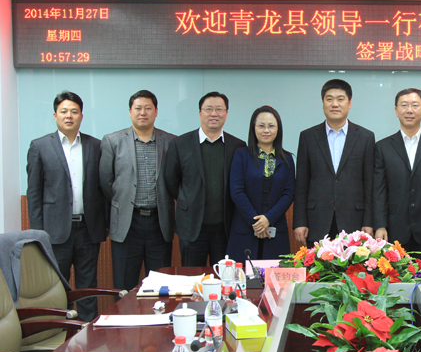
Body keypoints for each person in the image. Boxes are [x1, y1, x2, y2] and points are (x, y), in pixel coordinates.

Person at [26, 91, 106, 321]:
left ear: (81, 116)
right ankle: (61, 331)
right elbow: (34, 193)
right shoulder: (40, 146)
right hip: (54, 231)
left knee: (88, 286)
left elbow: (103, 189)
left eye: (74, 111)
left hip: (88, 229)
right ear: (55, 115)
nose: (69, 116)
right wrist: (38, 233)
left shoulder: (96, 146)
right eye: (64, 111)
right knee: (57, 287)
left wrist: (104, 225)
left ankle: (87, 330)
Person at [99, 90, 175, 291]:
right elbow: (106, 182)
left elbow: (175, 181)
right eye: (138, 108)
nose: (143, 112)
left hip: (159, 223)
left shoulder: (170, 142)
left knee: (160, 286)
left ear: (156, 112)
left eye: (148, 108)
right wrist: (122, 203)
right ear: (130, 111)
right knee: (124, 286)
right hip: (127, 223)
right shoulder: (112, 141)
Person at [165, 92, 246, 267]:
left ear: (226, 113)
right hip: (192, 227)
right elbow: (171, 181)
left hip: (226, 229)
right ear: (200, 113)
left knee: (225, 277)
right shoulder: (180, 144)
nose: (214, 114)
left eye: (219, 109)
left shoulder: (237, 146)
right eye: (208, 109)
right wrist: (189, 199)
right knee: (192, 277)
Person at [373, 88, 421, 260]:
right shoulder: (382, 147)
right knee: (395, 275)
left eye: (415, 105)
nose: (409, 110)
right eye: (404, 105)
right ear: (396, 111)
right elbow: (379, 191)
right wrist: (380, 225)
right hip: (394, 229)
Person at [293, 79, 375, 245]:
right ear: (323, 103)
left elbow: (369, 184)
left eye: (340, 99)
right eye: (329, 99)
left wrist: (368, 221)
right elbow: (301, 183)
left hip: (354, 220)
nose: (335, 104)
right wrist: (300, 221)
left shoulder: (365, 137)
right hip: (317, 220)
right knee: (317, 262)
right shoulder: (308, 137)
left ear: (349, 103)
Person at [227, 106, 295, 261]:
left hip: (275, 230)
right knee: (243, 273)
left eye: (271, 126)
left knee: (275, 274)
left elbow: (289, 193)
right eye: (261, 126)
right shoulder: (241, 155)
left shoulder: (287, 159)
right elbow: (237, 191)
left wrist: (268, 218)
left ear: (278, 129)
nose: (266, 130)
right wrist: (256, 222)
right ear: (253, 128)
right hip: (244, 229)